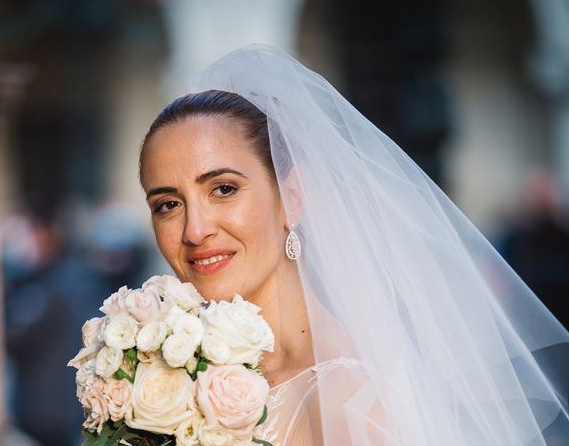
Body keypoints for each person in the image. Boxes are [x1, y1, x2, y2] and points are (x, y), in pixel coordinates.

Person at [138, 44, 569, 445]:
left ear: (294, 197)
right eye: (168, 204)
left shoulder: (350, 403)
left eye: (224, 189)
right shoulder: (166, 381)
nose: (195, 230)